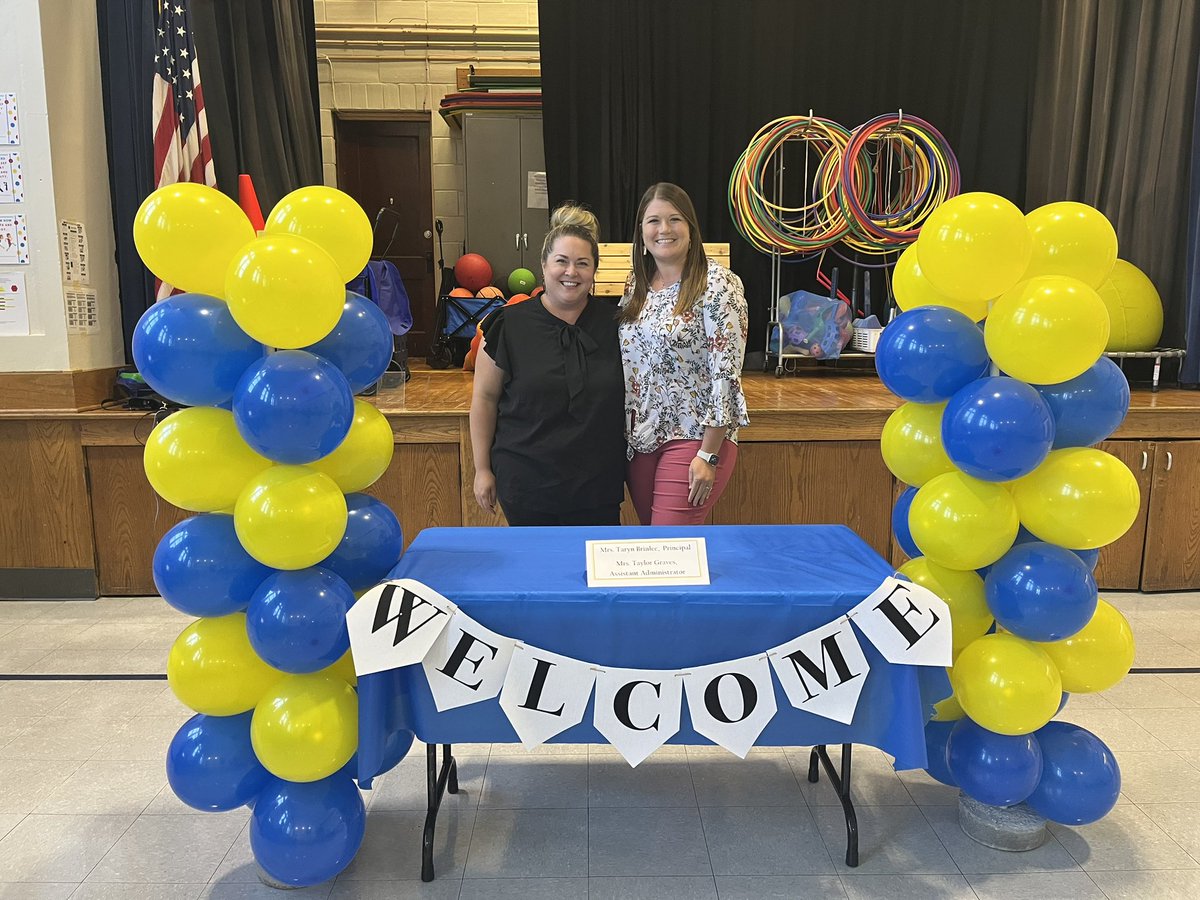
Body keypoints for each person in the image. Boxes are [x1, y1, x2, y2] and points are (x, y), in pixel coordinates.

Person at [470, 204, 626, 525]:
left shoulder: (617, 325)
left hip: (597, 486)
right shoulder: (507, 324)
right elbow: (484, 399)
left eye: (582, 263)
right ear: (543, 266)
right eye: (561, 261)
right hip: (527, 483)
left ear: (594, 270)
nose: (571, 272)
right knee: (535, 573)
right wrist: (482, 469)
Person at [620, 182, 749, 525]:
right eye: (653, 221)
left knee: (669, 544)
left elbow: (726, 374)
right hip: (641, 441)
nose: (664, 229)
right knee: (658, 550)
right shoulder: (636, 286)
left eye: (675, 219)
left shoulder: (718, 284)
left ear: (691, 229)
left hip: (694, 437)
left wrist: (708, 454)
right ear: (641, 232)